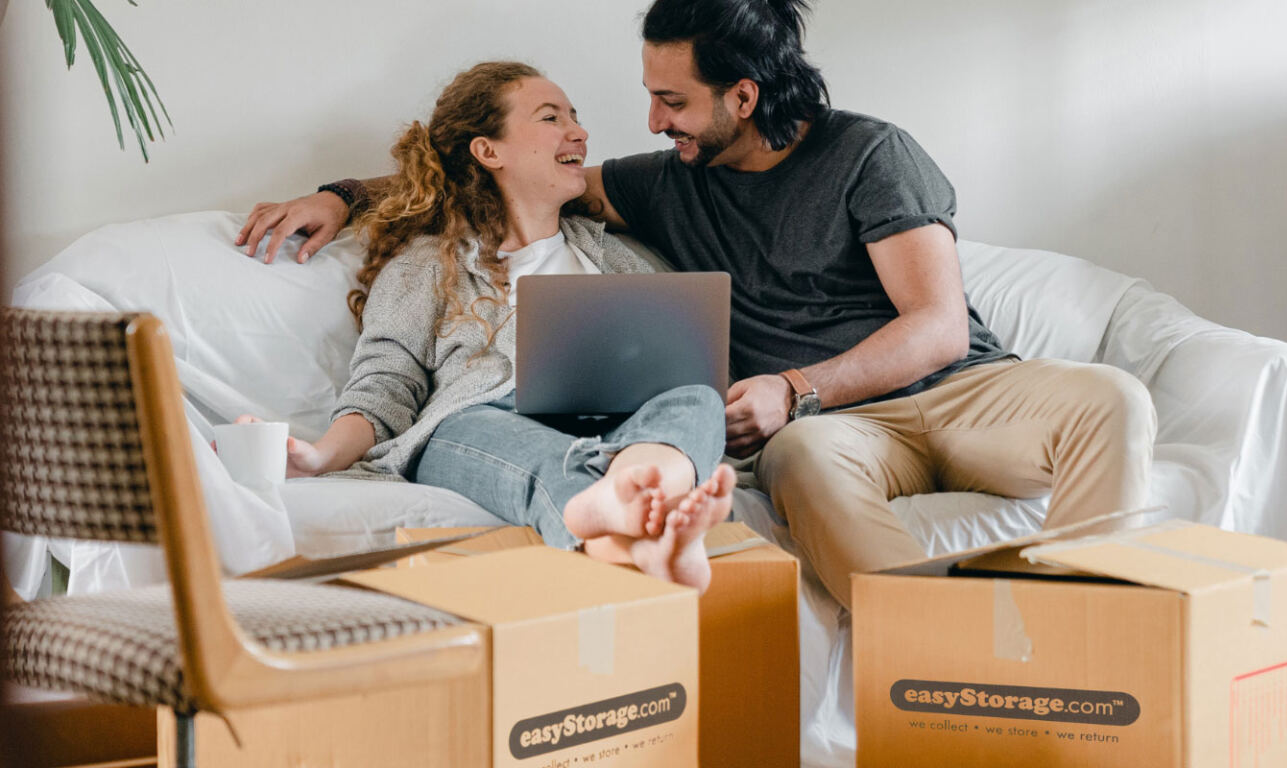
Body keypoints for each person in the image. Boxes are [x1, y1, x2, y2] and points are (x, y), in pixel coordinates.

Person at [236, 0, 1155, 609]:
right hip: (821, 437)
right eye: (643, 98)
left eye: (670, 100)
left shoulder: (867, 157)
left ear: (742, 97)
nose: (645, 123)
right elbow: (453, 200)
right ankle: (928, 640)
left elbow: (938, 327)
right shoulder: (654, 184)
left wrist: (790, 387)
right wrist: (343, 197)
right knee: (800, 468)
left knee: (1116, 400)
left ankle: (1089, 632)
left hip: (946, 392)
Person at [254, 60, 736, 592]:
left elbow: (678, 371)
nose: (579, 131)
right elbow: (384, 387)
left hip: (611, 431)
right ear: (488, 151)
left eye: (575, 116)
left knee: (697, 395)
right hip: (479, 428)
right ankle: (638, 521)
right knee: (463, 425)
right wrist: (319, 455)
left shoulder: (615, 257)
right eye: (551, 117)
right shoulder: (426, 265)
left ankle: (636, 501)